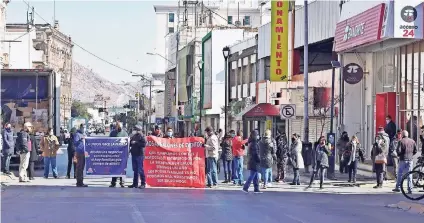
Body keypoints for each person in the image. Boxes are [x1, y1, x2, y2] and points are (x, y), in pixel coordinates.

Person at [109, 122, 128, 187]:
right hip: (114, 154)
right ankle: (113, 182)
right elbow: (109, 142)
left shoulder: (124, 133)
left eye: (119, 127)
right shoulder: (112, 133)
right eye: (117, 126)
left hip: (122, 154)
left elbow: (127, 143)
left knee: (122, 168)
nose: (118, 128)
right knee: (114, 168)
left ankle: (122, 182)